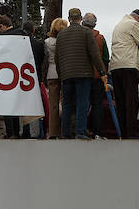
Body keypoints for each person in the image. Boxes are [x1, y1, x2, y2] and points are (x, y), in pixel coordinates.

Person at [56, 8, 105, 139]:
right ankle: (80, 131)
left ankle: (65, 133)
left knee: (67, 104)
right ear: (81, 18)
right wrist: (102, 71)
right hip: (83, 73)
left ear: (69, 18)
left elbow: (57, 57)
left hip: (66, 74)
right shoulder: (86, 32)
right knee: (82, 102)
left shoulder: (61, 34)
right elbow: (94, 54)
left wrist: (61, 74)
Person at [110, 9, 139, 140]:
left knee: (120, 101)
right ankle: (131, 133)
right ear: (138, 18)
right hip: (128, 65)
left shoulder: (118, 25)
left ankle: (122, 132)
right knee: (131, 101)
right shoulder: (133, 24)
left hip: (115, 66)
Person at [82, 13, 109, 138]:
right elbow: (105, 58)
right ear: (95, 24)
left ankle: (82, 130)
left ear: (83, 22)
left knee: (82, 103)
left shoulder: (79, 36)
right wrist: (104, 73)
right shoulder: (101, 38)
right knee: (98, 104)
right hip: (98, 76)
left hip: (82, 75)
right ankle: (97, 131)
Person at [43, 18, 66, 139]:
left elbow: (46, 60)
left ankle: (53, 132)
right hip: (64, 73)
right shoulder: (66, 41)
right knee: (66, 103)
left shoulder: (47, 42)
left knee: (53, 105)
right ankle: (64, 131)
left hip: (51, 74)